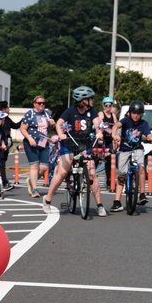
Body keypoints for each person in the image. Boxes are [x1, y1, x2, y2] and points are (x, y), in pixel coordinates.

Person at [42, 85, 108, 217]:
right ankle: (47, 200)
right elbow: (59, 124)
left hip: (86, 145)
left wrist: (99, 132)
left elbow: (97, 125)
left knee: (92, 174)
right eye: (90, 98)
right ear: (83, 100)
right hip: (69, 144)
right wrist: (60, 134)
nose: (93, 100)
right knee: (62, 172)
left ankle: (100, 205)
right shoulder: (70, 111)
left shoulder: (92, 111)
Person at [109, 101, 152, 211]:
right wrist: (114, 135)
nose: (136, 115)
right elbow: (116, 125)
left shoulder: (144, 123)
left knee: (141, 168)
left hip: (137, 148)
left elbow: (148, 133)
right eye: (134, 113)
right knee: (121, 174)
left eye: (139, 113)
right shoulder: (126, 120)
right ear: (129, 113)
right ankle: (117, 201)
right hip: (125, 149)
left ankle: (142, 194)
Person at [19, 95, 52, 198]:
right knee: (34, 165)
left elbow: (50, 128)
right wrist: (29, 138)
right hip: (31, 142)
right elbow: (23, 128)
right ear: (34, 104)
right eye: (39, 103)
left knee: (44, 167)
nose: (41, 104)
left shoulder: (47, 113)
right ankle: (34, 189)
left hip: (44, 142)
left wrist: (53, 124)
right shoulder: (30, 114)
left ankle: (31, 180)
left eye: (43, 103)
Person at [97, 97, 119, 190]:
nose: (108, 107)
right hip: (101, 139)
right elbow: (99, 125)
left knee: (110, 160)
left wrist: (116, 136)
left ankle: (109, 181)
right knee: (101, 160)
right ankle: (93, 176)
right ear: (103, 106)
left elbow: (116, 125)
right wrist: (105, 131)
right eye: (106, 105)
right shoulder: (101, 114)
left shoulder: (113, 115)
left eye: (110, 105)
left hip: (110, 139)